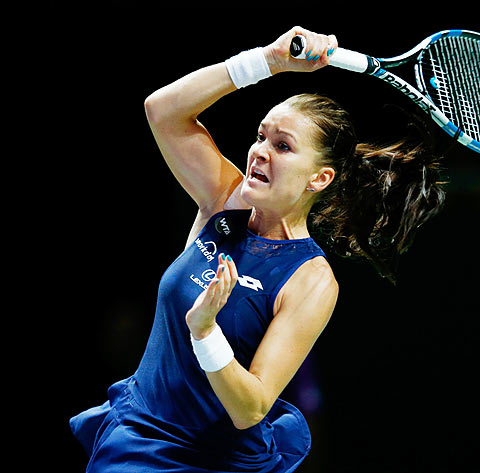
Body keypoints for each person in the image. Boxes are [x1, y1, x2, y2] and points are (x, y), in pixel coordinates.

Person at [70, 26, 448, 472]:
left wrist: (205, 331)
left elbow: (250, 407)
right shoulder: (224, 202)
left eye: (282, 146)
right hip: (136, 431)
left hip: (206, 461)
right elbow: (162, 110)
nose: (259, 152)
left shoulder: (310, 279)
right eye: (261, 136)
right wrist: (269, 61)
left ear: (319, 179)